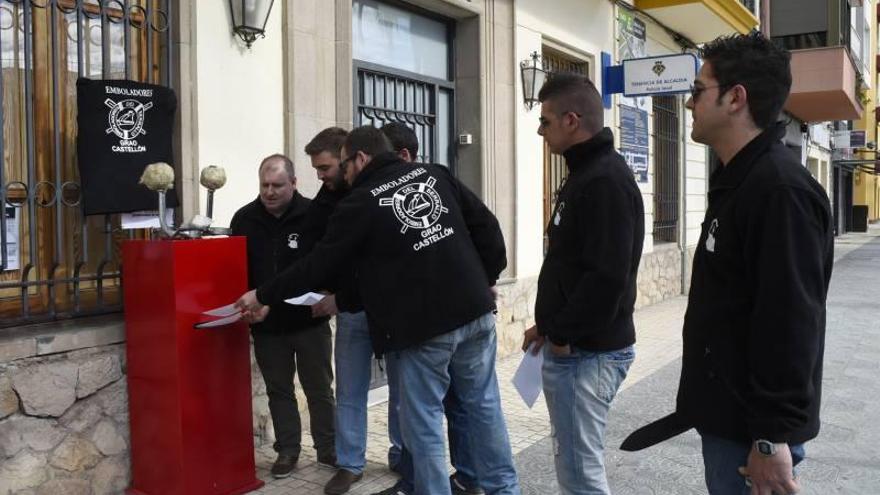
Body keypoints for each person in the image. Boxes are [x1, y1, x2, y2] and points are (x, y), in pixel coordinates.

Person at [236, 126, 520, 495]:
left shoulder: (361, 202)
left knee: (425, 425)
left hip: (425, 329)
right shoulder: (434, 174)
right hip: (476, 315)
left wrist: (264, 293)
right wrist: (486, 277)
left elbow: (318, 265)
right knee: (485, 410)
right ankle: (505, 489)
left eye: (344, 166)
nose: (343, 176)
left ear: (361, 158)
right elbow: (487, 226)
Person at [621, 32, 834, 495]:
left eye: (698, 90)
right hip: (729, 420)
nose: (688, 102)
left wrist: (769, 439)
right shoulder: (741, 180)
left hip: (750, 434)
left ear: (736, 98)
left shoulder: (779, 191)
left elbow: (791, 323)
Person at [521, 73, 644, 495]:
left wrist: (563, 334)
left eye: (546, 121)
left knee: (579, 474)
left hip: (587, 355)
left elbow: (607, 277)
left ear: (572, 120)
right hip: (576, 347)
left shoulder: (604, 180)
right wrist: (548, 327)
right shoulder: (584, 173)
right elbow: (572, 265)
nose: (540, 131)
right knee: (574, 465)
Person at [375, 121, 484, 495]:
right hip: (434, 318)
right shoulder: (411, 187)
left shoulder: (438, 183)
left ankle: (459, 478)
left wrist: (482, 283)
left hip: (437, 323)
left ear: (403, 156)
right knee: (434, 408)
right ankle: (428, 478)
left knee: (440, 410)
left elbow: (483, 232)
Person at [230, 154, 336, 478]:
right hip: (267, 326)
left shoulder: (314, 216)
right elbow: (237, 270)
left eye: (278, 185)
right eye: (265, 185)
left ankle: (329, 448)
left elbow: (330, 260)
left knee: (319, 388)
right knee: (279, 390)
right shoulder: (244, 219)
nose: (270, 192)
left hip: (309, 322)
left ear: (293, 183)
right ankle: (287, 450)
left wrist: (331, 295)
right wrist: (250, 305)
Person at [302, 127, 375, 495]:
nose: (321, 175)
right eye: (316, 169)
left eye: (326, 167)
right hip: (349, 309)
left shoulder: (372, 191)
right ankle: (349, 464)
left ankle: (403, 453)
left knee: (408, 389)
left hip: (387, 307)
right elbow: (315, 243)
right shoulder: (327, 196)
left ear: (348, 159)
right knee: (350, 389)